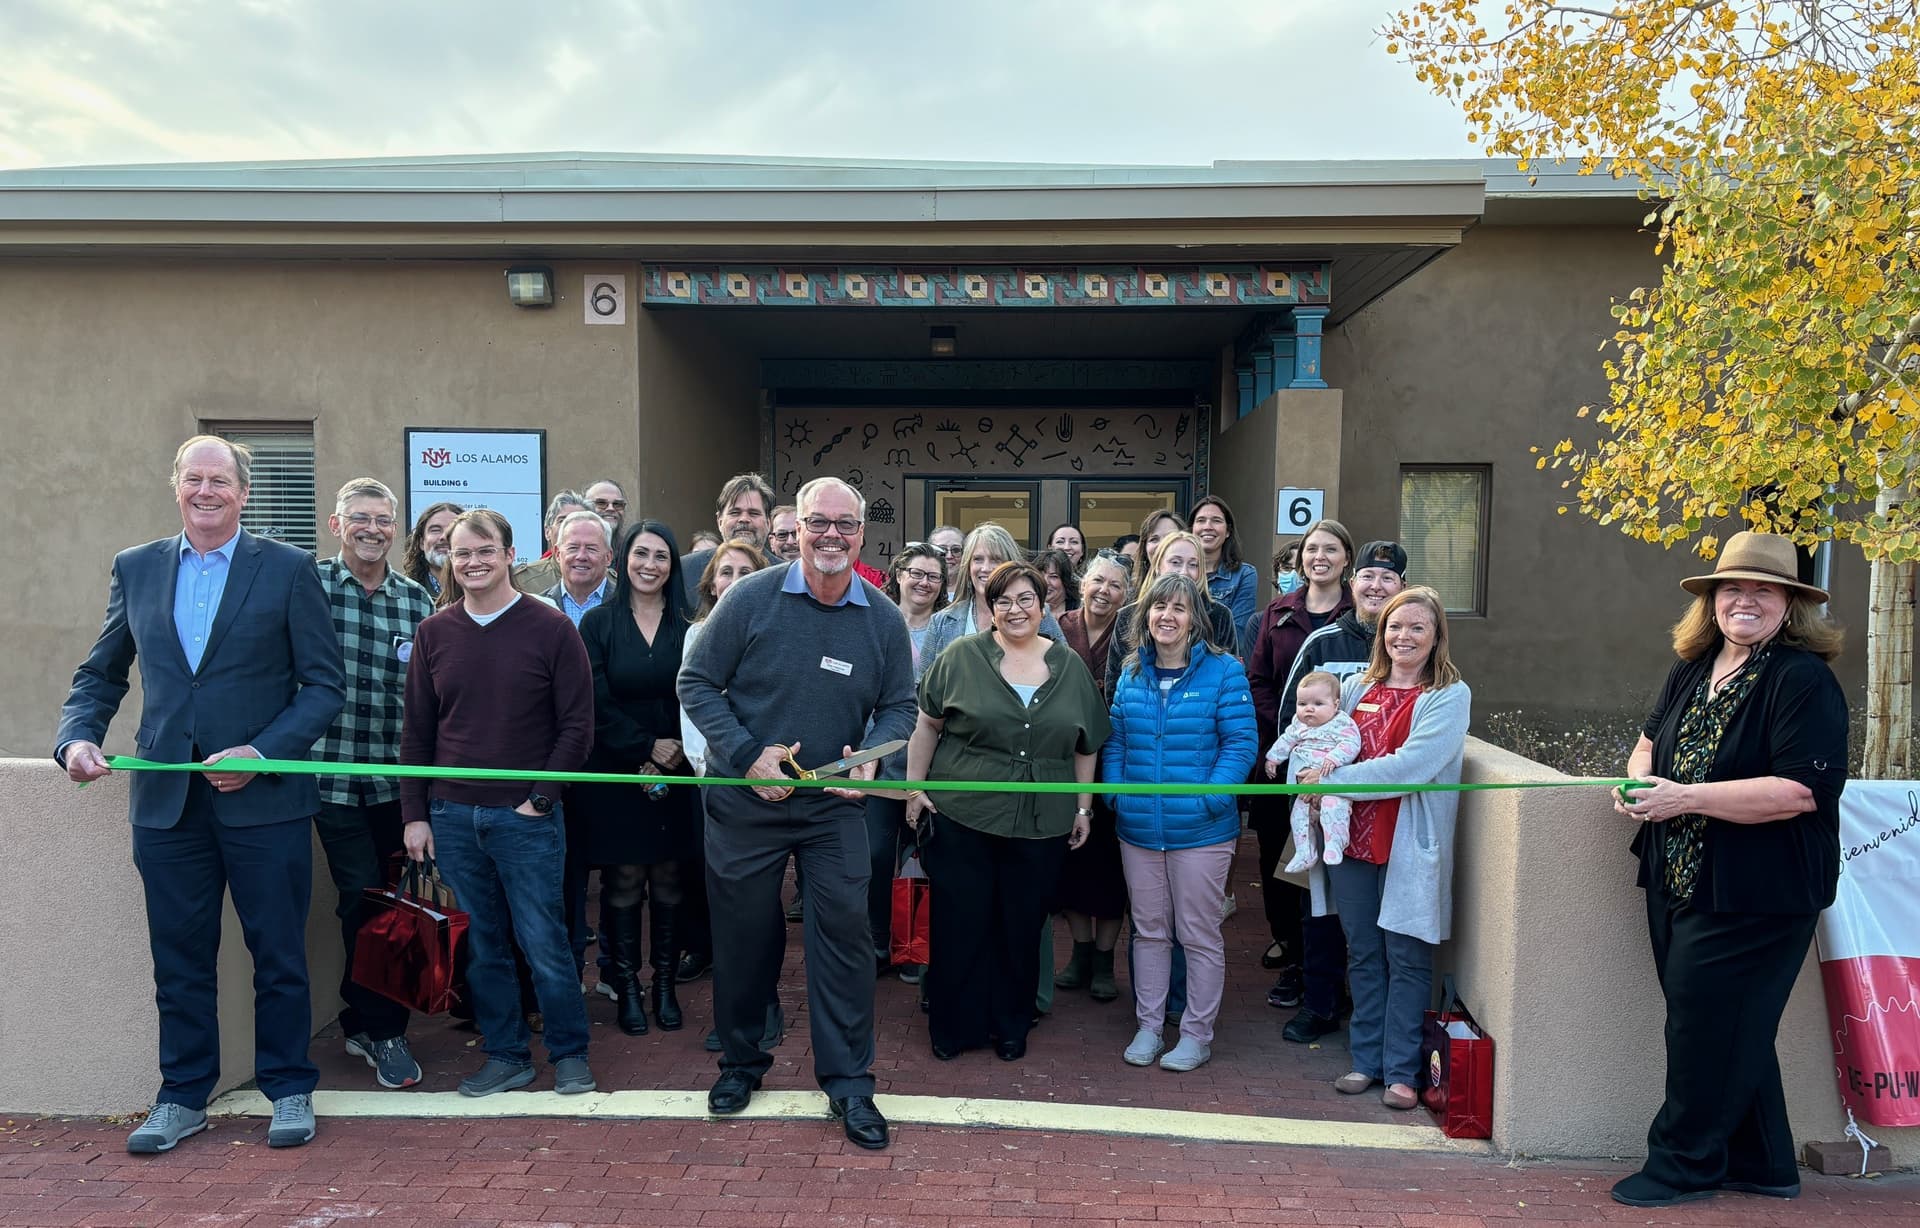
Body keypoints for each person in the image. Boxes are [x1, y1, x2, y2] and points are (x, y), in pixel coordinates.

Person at [55, 435, 346, 1154]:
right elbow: (101, 674)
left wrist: (261, 752)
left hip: (266, 802)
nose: (206, 490)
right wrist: (77, 738)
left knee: (277, 952)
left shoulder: (287, 569)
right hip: (167, 803)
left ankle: (288, 1087)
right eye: (195, 478)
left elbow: (323, 689)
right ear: (175, 485)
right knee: (179, 958)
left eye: (221, 480)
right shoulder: (137, 568)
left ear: (244, 493)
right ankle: (182, 1096)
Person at [1608, 532, 1848, 1209]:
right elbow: (1647, 744)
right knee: (1726, 1024)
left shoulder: (1802, 679)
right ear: (1711, 602)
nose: (1745, 600)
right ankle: (1765, 1163)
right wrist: (1637, 785)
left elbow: (1802, 791)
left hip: (1760, 890)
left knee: (1703, 1027)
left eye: (1763, 590)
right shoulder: (1694, 664)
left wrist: (1684, 799)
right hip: (1679, 877)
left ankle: (1684, 1165)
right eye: (1731, 589)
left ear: (1789, 607)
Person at [679, 477, 915, 1150]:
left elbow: (901, 704)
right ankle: (742, 1063)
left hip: (831, 807)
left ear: (862, 536)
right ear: (797, 528)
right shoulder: (750, 598)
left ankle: (849, 1085)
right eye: (819, 523)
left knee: (843, 940)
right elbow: (695, 683)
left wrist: (871, 757)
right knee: (746, 938)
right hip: (744, 802)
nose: (831, 536)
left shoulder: (883, 618)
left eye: (845, 525)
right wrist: (748, 754)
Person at [399, 508, 597, 1098]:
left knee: (544, 941)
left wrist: (540, 798)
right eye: (461, 553)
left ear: (511, 555)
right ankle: (506, 1054)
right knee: (484, 947)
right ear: (448, 561)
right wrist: (415, 813)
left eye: (484, 550)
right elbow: (417, 733)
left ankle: (570, 1054)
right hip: (454, 817)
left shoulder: (552, 627)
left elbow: (577, 729)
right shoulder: (434, 632)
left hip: (525, 819)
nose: (473, 562)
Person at [906, 562, 1108, 1062]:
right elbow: (926, 725)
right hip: (962, 815)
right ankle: (953, 1026)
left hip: (1041, 821)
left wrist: (1084, 808)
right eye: (1003, 601)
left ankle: (1011, 1025)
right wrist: (914, 790)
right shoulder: (960, 656)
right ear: (990, 609)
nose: (1015, 610)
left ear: (1043, 605)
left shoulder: (1069, 665)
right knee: (961, 922)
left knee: (1021, 926)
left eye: (1025, 600)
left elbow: (1087, 744)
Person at [1298, 586, 1469, 1113]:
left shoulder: (1448, 695)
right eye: (1395, 626)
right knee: (1364, 954)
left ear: (1437, 635)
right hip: (1351, 843)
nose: (1404, 636)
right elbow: (1316, 739)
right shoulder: (1352, 688)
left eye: (1417, 627)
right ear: (1381, 632)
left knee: (1409, 958)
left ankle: (1402, 1072)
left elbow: (1410, 768)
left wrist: (1333, 781)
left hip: (1408, 846)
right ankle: (1365, 1060)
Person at [1104, 573, 1257, 1073]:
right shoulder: (1131, 673)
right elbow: (1119, 742)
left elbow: (1240, 745)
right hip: (1140, 830)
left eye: (1179, 608)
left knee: (1198, 934)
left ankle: (1195, 1034)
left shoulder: (1225, 672)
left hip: (1202, 831)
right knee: (1148, 933)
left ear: (1196, 620)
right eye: (1157, 607)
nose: (1166, 616)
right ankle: (1149, 1027)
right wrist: (1117, 796)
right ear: (1144, 615)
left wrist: (1209, 800)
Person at [312, 477, 435, 1091]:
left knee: (387, 902)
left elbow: (428, 698)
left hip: (394, 779)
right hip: (327, 775)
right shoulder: (306, 588)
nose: (373, 529)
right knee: (362, 896)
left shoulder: (417, 601)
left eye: (384, 520)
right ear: (337, 525)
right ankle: (386, 1031)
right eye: (360, 518)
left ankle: (358, 1013)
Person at [1273, 537, 1404, 1044]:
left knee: (1375, 916)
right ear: (1353, 582)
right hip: (1319, 800)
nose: (1376, 586)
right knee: (1318, 907)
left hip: (1386, 809)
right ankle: (1320, 1002)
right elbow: (1292, 715)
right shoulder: (1323, 642)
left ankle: (1370, 1013)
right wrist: (1301, 783)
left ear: (1401, 587)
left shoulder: (1406, 645)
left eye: (1387, 578)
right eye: (1368, 576)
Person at [573, 521, 698, 1037]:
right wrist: (645, 747)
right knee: (623, 882)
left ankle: (664, 985)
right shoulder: (597, 624)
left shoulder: (690, 625)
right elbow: (593, 698)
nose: (650, 565)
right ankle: (626, 988)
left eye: (662, 556)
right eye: (640, 554)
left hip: (678, 767)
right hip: (614, 769)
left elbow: (697, 692)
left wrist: (669, 750)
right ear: (622, 560)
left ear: (674, 566)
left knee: (669, 881)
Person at [1247, 519, 1354, 1006]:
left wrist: (1329, 740)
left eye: (1330, 549)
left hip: (1338, 765)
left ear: (1345, 559)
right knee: (1279, 855)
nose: (1319, 557)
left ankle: (1332, 965)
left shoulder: (1361, 616)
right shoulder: (1277, 614)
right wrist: (1292, 730)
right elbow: (1259, 680)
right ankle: (1292, 953)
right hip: (1285, 756)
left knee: (1332, 859)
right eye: (1312, 549)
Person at [679, 539, 780, 1052]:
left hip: (773, 781)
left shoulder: (777, 625)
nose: (735, 580)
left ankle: (766, 1003)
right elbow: (693, 705)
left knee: (764, 908)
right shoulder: (697, 633)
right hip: (716, 782)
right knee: (731, 909)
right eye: (726, 571)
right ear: (711, 581)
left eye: (747, 571)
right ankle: (734, 1013)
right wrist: (718, 769)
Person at [1052, 551, 1132, 1002]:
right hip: (1064, 759)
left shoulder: (1131, 633)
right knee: (1071, 863)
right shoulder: (1058, 628)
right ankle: (1079, 954)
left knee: (1109, 868)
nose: (1104, 591)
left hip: (1116, 758)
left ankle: (1104, 961)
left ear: (1127, 594)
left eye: (1115, 585)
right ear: (1082, 583)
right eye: (1097, 581)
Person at [1104, 532, 1236, 687]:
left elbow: (1230, 681)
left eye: (1193, 565)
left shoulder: (1219, 616)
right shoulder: (1128, 616)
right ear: (1158, 566)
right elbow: (1114, 684)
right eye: (1176, 562)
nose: (1184, 571)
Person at [920, 523, 1063, 664]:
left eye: (995, 559)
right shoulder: (941, 622)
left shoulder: (1037, 614)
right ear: (968, 566)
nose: (986, 568)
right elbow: (924, 684)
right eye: (978, 559)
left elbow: (1063, 669)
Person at [1264, 671, 1364, 871]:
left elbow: (1352, 742)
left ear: (1335, 705)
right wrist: (1273, 758)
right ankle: (1305, 852)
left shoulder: (1341, 723)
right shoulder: (1298, 724)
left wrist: (1335, 758)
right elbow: (1286, 739)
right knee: (1298, 816)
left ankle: (1336, 843)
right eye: (1302, 704)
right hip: (1305, 786)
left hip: (1331, 781)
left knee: (1334, 808)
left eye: (1318, 704)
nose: (1309, 709)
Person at [680, 472, 775, 603]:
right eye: (735, 512)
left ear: (768, 523)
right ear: (719, 521)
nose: (744, 519)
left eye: (753, 513)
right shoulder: (685, 569)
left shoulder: (786, 575)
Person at [1190, 495, 1259, 654]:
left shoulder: (1244, 575)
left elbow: (1237, 634)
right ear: (1191, 529)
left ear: (1228, 531)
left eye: (1216, 520)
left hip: (1220, 664)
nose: (1208, 526)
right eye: (1200, 520)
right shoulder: (1177, 571)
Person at [540, 510, 614, 627]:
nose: (581, 556)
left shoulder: (629, 605)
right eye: (573, 548)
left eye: (591, 548)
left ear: (608, 557)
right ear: (558, 554)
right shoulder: (538, 607)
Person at [513, 490, 590, 596]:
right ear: (547, 532)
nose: (571, 528)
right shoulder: (522, 580)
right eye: (562, 521)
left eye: (578, 521)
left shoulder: (611, 581)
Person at [401, 500, 463, 595]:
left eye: (453, 529)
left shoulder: (484, 590)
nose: (444, 537)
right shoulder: (404, 593)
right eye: (435, 530)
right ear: (421, 543)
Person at [1131, 510, 1186, 593]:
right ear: (1144, 549)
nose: (1162, 545)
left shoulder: (1204, 599)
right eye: (1154, 539)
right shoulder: (1129, 597)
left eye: (1170, 537)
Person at [1032, 547, 1079, 619]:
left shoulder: (1080, 613)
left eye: (1053, 576)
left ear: (1065, 581)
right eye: (1040, 575)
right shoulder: (1028, 611)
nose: (1045, 582)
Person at [927, 524, 965, 603]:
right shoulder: (921, 588)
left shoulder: (975, 590)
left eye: (956, 550)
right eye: (942, 550)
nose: (949, 556)